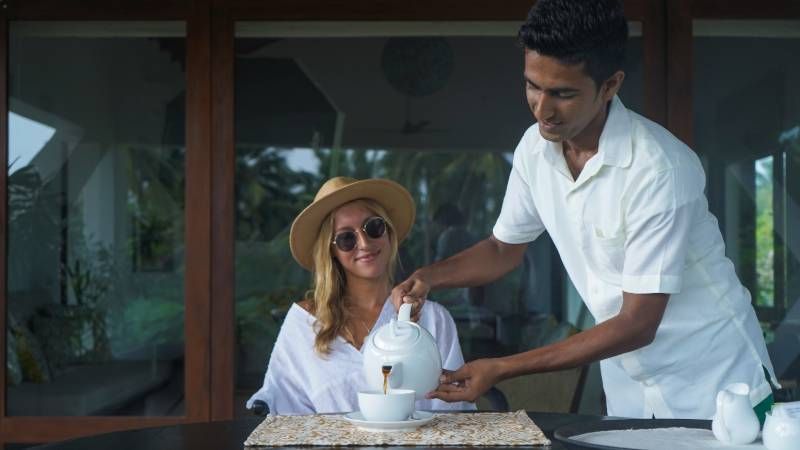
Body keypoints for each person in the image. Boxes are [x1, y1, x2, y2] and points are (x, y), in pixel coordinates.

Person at [392, 0, 778, 420]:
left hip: (718, 384)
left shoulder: (659, 168)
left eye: (563, 93)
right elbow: (503, 249)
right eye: (532, 86)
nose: (542, 109)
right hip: (631, 390)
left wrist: (503, 368)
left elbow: (637, 323)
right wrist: (429, 277)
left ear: (610, 85)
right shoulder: (534, 150)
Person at [247, 176, 474, 414]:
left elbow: (454, 413)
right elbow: (282, 408)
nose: (364, 243)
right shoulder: (304, 324)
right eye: (347, 238)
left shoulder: (433, 319)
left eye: (373, 227)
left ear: (388, 233)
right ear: (331, 250)